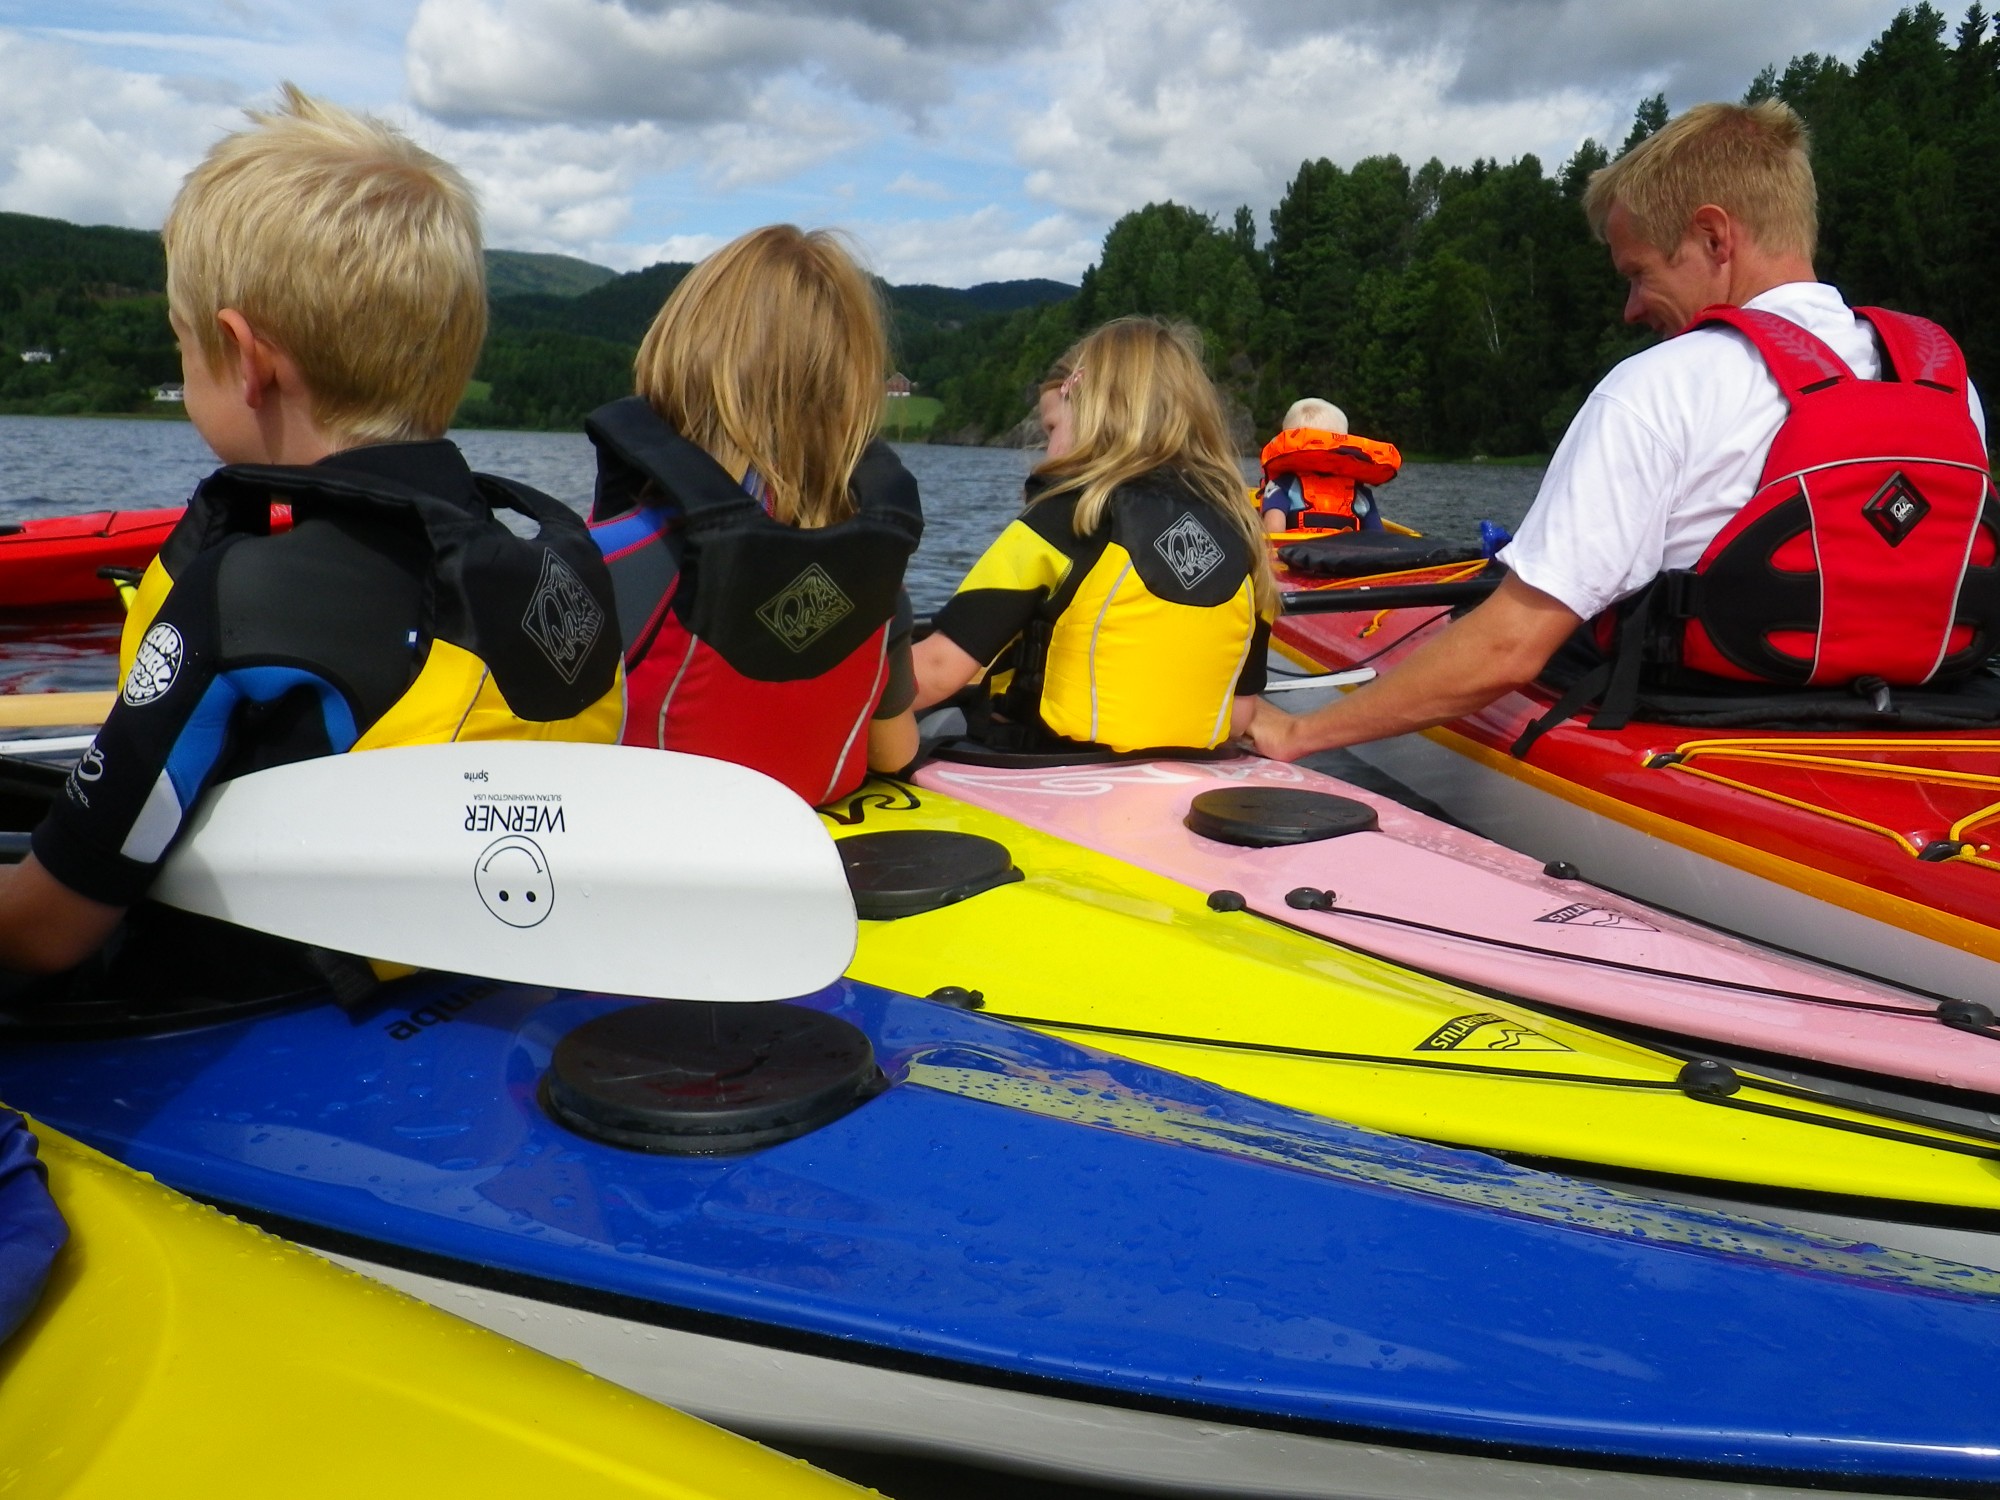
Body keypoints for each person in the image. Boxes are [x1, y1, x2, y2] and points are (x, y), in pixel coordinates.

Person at [0, 86, 623, 978]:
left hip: (246, 1014)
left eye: (182, 345)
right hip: (464, 984)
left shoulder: (239, 596)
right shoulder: (529, 563)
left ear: (243, 358)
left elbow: (41, 933)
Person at [1252, 98, 1992, 762]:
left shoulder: (1660, 384)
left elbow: (1508, 650)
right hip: (1933, 719)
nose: (1631, 309)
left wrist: (1298, 734)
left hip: (1699, 723)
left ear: (1714, 237)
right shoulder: (1941, 379)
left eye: (1639, 273)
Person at [585, 226, 923, 806]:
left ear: (675, 364)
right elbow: (894, 752)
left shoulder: (609, 561)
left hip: (649, 835)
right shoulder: (873, 572)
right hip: (801, 821)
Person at [912, 316, 1276, 754]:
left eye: (1051, 428)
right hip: (1187, 764)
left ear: (1093, 413)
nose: (1046, 450)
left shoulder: (1066, 514)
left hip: (1047, 761)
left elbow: (936, 671)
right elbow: (1238, 717)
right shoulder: (1242, 532)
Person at [1257, 397, 1400, 533]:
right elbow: (1377, 537)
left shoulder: (1281, 486)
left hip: (1297, 551)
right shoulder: (1360, 493)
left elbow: (1274, 530)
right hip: (1345, 551)